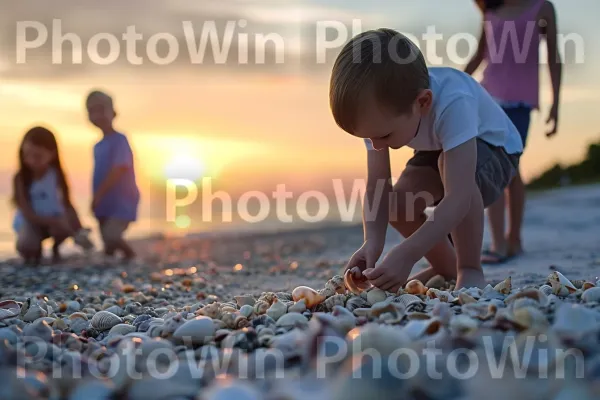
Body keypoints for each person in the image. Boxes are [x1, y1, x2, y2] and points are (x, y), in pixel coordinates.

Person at [330, 29, 524, 291]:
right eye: (367, 137)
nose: (376, 145)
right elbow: (378, 187)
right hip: (439, 149)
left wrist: (408, 253)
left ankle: (469, 268)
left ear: (422, 102)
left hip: (497, 150)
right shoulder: (378, 117)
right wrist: (371, 243)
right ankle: (447, 268)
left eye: (384, 135)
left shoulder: (454, 102)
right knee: (399, 205)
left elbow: (459, 197)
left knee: (453, 172)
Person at [465, 0, 562, 264]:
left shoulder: (541, 8)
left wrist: (555, 104)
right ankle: (500, 242)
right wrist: (454, 85)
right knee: (493, 165)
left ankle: (513, 239)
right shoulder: (491, 9)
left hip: (521, 101)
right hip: (489, 98)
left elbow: (553, 55)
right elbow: (480, 54)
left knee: (511, 165)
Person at [12, 126, 94, 265]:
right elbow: (27, 213)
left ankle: (56, 248)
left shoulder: (56, 175)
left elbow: (67, 204)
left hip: (54, 221)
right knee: (26, 245)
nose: (31, 161)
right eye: (26, 155)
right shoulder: (21, 178)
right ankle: (34, 252)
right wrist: (54, 221)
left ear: (52, 154)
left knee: (64, 223)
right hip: (31, 222)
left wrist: (78, 229)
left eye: (37, 156)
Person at [86, 90, 140, 262]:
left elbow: (119, 169)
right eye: (92, 110)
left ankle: (131, 255)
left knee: (112, 235)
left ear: (113, 112)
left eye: (101, 109)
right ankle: (109, 256)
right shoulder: (98, 145)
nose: (97, 115)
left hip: (122, 199)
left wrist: (99, 194)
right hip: (104, 202)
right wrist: (97, 197)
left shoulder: (120, 140)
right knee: (106, 239)